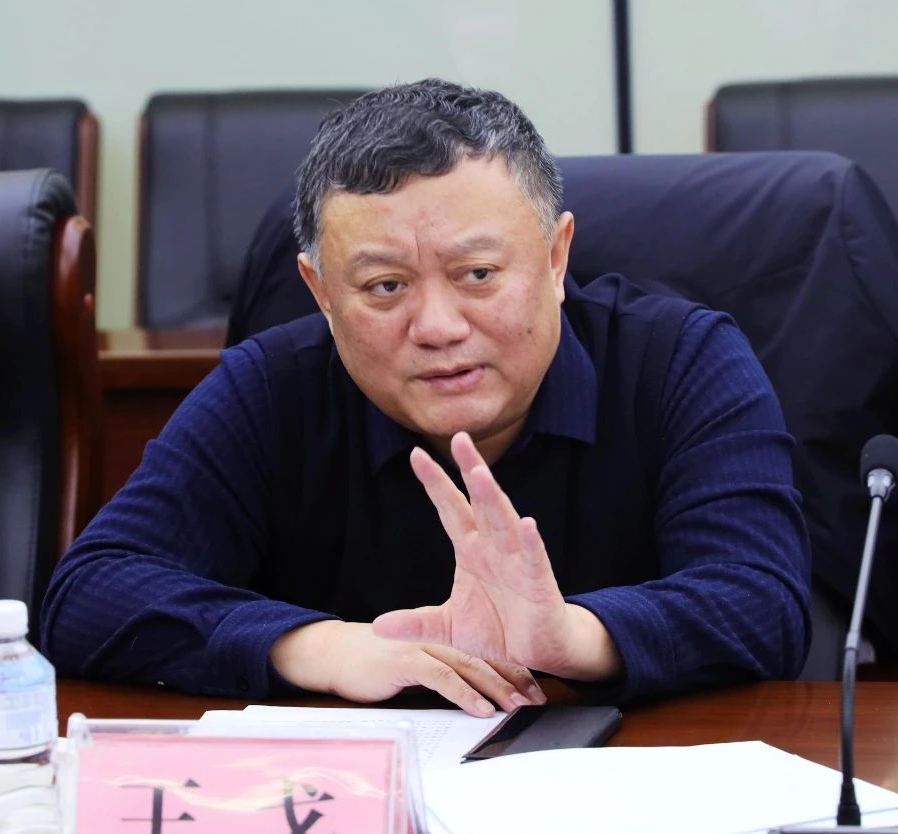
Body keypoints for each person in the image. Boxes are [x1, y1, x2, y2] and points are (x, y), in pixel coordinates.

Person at [41, 79, 810, 714]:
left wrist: (571, 635)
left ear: (555, 257)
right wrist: (330, 647)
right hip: (354, 811)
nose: (437, 327)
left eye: (478, 274)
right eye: (385, 286)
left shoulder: (680, 361)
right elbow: (89, 593)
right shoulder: (270, 387)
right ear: (320, 291)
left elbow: (763, 601)